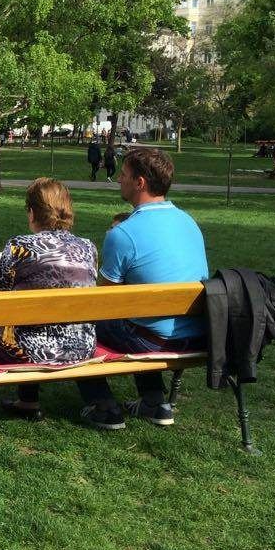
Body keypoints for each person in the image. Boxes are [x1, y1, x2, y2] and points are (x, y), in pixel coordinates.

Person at [78, 147, 209, 430]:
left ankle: (103, 405)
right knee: (139, 317)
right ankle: (153, 402)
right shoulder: (189, 222)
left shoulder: (123, 233)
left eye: (123, 175)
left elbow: (101, 301)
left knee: (76, 323)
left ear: (140, 183)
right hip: (197, 335)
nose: (119, 180)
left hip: (153, 340)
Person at [0, 178, 97, 422]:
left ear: (31, 212)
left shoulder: (20, 246)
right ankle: (27, 400)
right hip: (81, 345)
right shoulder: (88, 247)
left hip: (29, 348)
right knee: (28, 320)